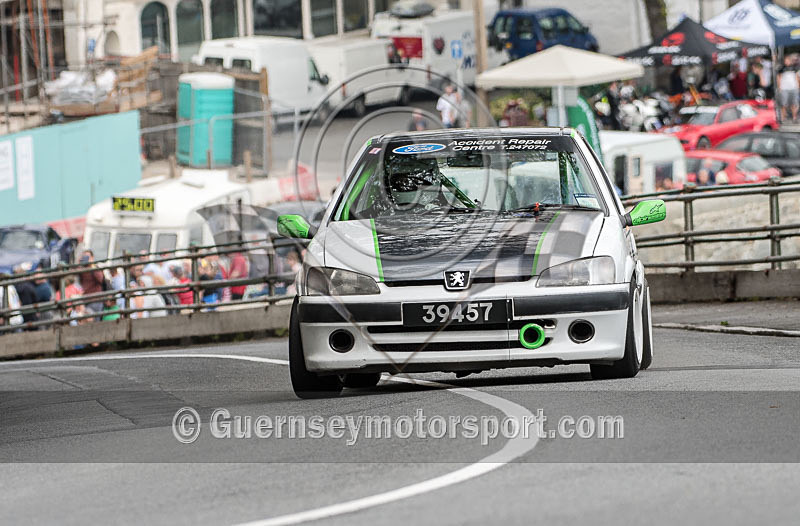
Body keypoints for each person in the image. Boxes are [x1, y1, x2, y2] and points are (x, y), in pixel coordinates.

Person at [78, 249, 105, 315]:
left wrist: (91, 265)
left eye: (88, 256)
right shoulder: (82, 269)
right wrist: (79, 262)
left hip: (95, 300)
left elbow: (101, 279)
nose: (86, 258)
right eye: (84, 257)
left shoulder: (95, 268)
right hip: (86, 300)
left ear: (92, 258)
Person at [777, 56, 800, 122]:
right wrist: (779, 87)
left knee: (794, 103)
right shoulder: (781, 68)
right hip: (784, 88)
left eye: (787, 60)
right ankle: (783, 118)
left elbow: (797, 77)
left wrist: (798, 86)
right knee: (784, 104)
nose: (786, 62)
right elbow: (779, 77)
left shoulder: (795, 68)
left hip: (794, 88)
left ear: (790, 61)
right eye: (785, 60)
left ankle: (794, 117)